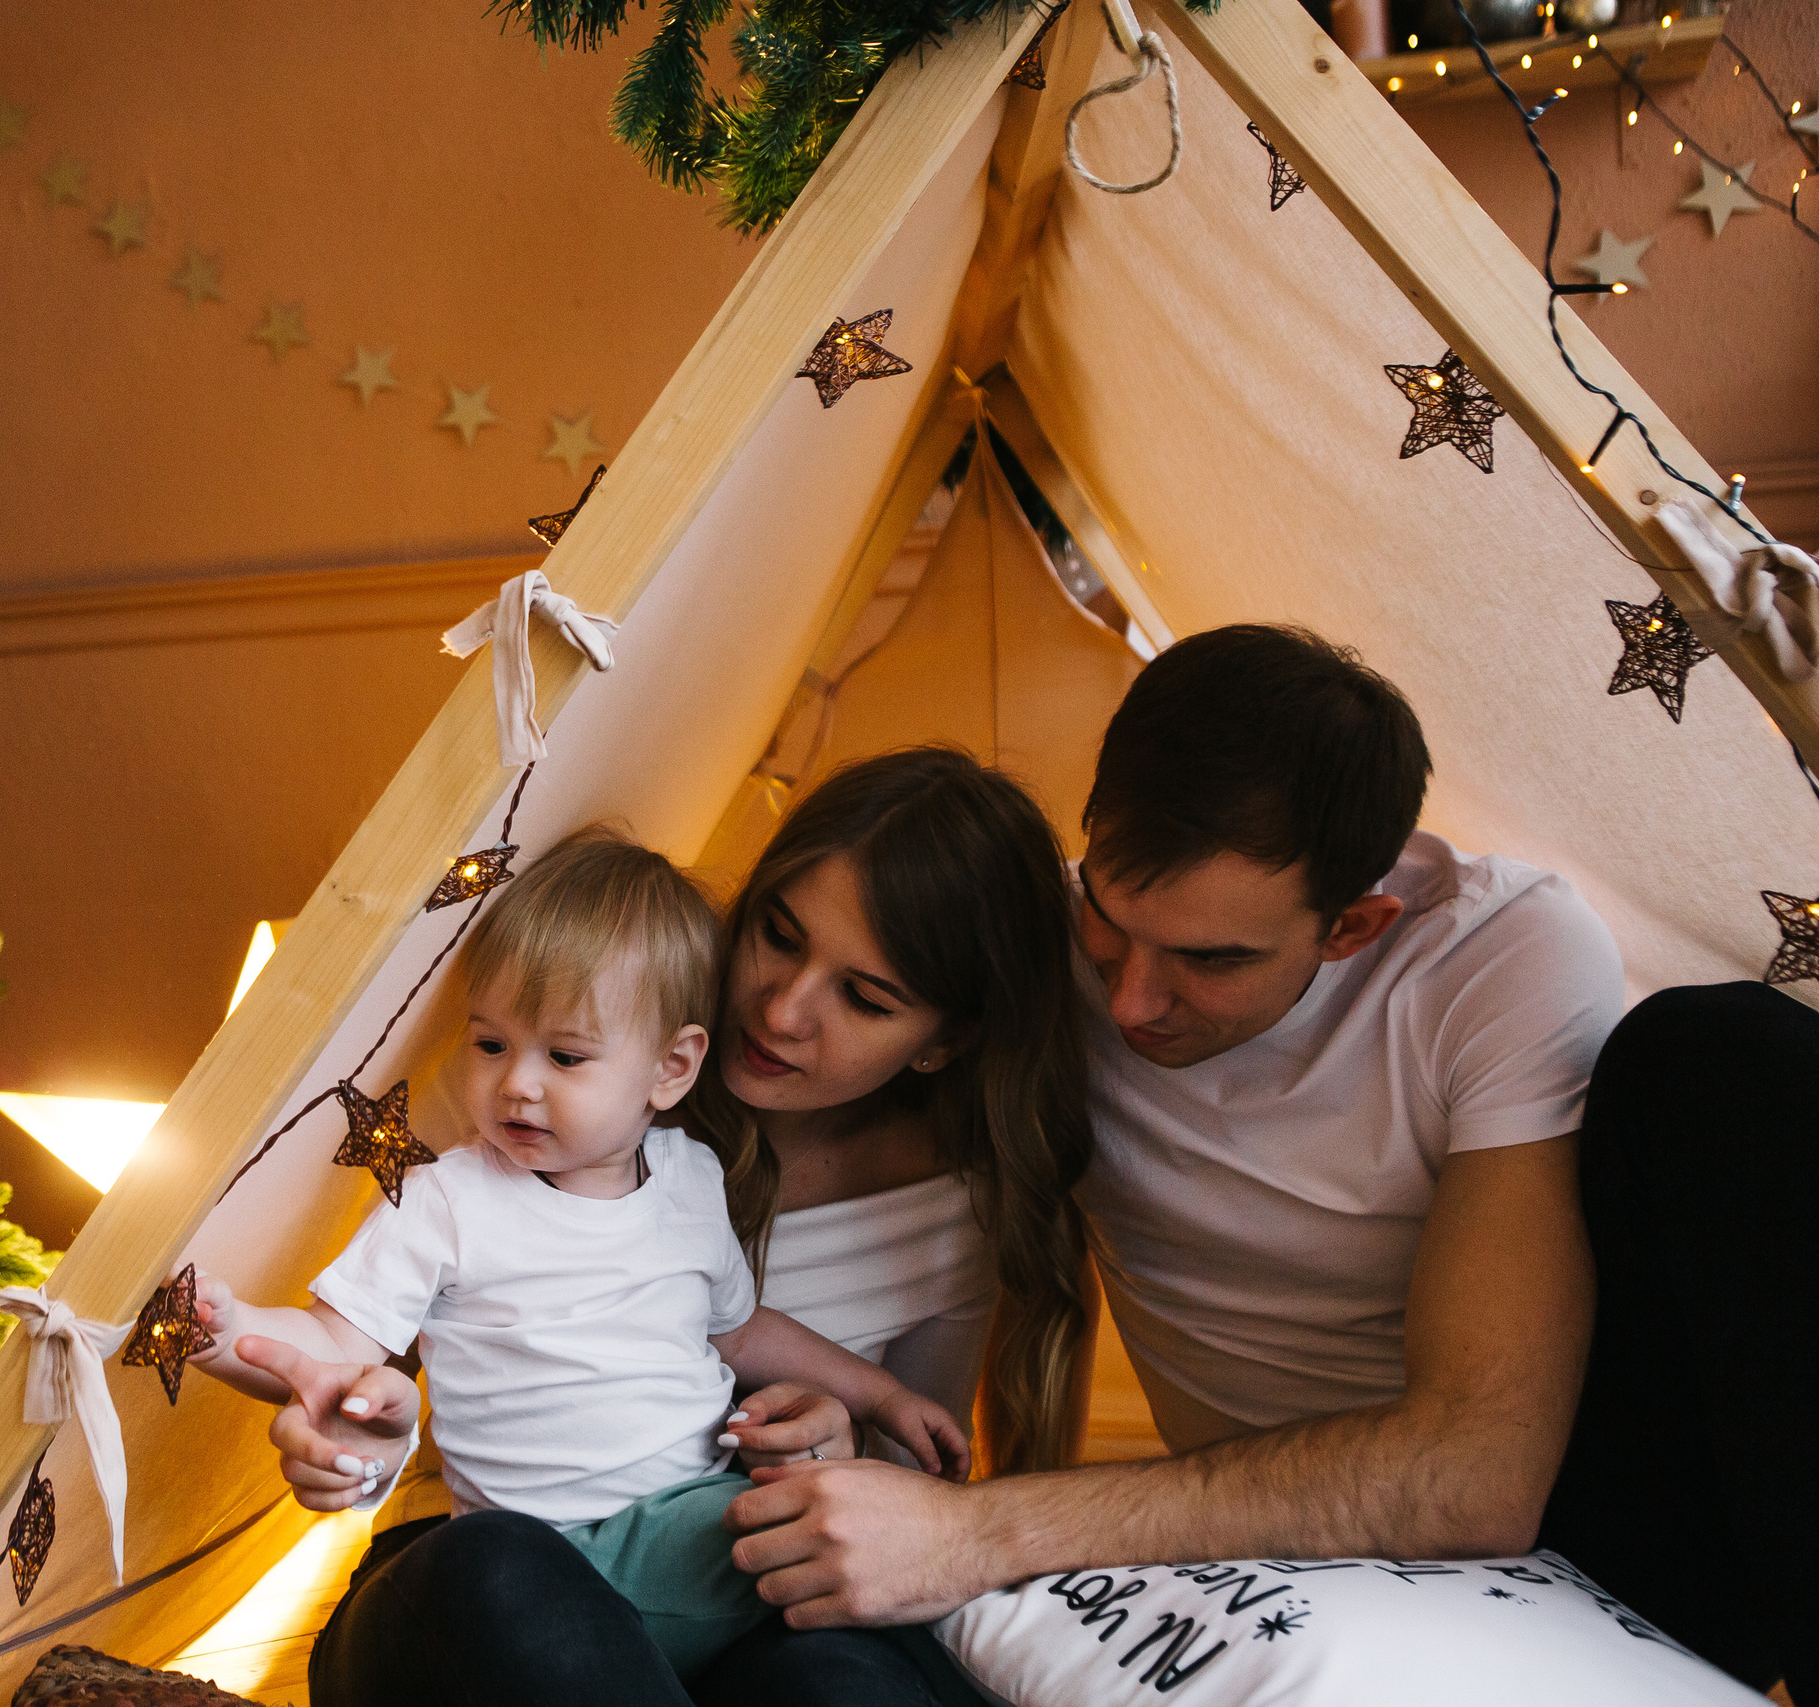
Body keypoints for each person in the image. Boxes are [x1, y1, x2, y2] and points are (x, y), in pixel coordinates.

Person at [720, 625, 1806, 1700]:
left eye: (1210, 960)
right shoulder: (1042, 945)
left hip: (1593, 1496)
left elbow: (1475, 1480)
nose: (1132, 1002)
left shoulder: (1494, 955)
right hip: (1273, 1541)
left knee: (1723, 1055)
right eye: (1110, 920)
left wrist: (980, 1528)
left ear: (1351, 926)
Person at [242, 748, 1099, 1707]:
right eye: (777, 935)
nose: (780, 1009)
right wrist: (328, 1420)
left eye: (863, 996)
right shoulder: (534, 1077)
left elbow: (900, 1505)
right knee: (500, 1572)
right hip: (472, 1587)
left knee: (844, 1680)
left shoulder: (949, 1218)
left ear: (944, 1040)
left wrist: (837, 1441)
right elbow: (362, 1360)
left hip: (716, 1577)